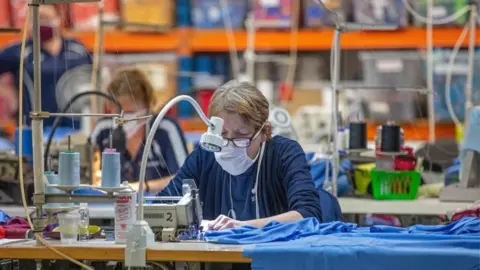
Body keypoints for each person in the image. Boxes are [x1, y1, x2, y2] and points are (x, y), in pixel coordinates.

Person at [159, 80, 322, 231]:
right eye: (222, 134)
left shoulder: (284, 153)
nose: (229, 145)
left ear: (265, 132)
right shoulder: (205, 154)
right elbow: (164, 204)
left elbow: (308, 215)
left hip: (272, 258)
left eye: (241, 136)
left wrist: (242, 226)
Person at [91, 67, 189, 192]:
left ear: (147, 106)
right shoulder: (103, 130)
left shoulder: (165, 129)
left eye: (130, 113)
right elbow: (85, 175)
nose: (123, 119)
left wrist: (142, 187)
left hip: (156, 206)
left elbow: (185, 179)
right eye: (118, 112)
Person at [0, 5, 91, 128]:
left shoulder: (78, 49)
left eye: (45, 18)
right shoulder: (20, 52)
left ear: (58, 19)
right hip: (34, 129)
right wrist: (7, 93)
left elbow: (94, 79)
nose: (41, 23)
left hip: (76, 126)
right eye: (36, 19)